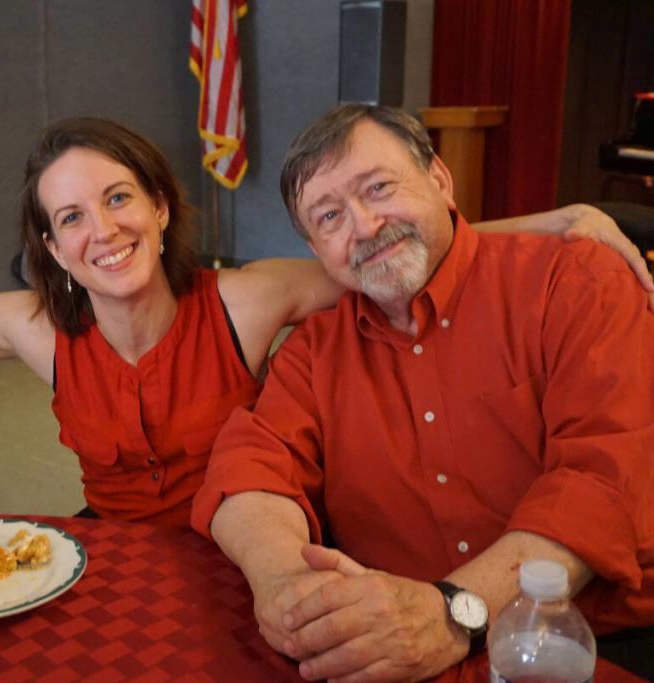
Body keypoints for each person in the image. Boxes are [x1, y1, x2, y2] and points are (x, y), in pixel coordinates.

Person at [0, 116, 648, 529]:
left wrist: (565, 216)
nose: (100, 231)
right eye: (69, 218)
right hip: (111, 555)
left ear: (161, 207)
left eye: (116, 199)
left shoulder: (243, 300)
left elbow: (382, 251)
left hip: (240, 549)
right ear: (51, 245)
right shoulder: (36, 328)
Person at [191, 105, 654, 681]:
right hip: (390, 640)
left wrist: (454, 613)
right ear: (316, 250)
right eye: (329, 217)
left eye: (378, 188)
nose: (362, 226)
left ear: (439, 179)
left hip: (588, 637)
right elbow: (250, 466)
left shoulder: (575, 283)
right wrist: (285, 583)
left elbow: (601, 476)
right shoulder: (316, 350)